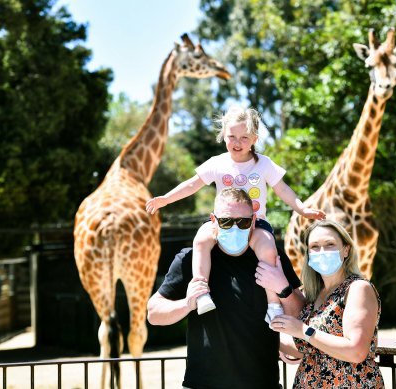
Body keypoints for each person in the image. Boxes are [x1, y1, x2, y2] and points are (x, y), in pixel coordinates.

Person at [146, 105, 325, 322]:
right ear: (223, 136)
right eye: (232, 136)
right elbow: (192, 185)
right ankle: (201, 292)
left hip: (255, 223)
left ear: (255, 139)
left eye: (244, 137)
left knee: (268, 247)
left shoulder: (264, 164)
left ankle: (273, 306)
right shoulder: (218, 163)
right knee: (201, 239)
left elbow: (283, 190)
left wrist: (301, 208)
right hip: (223, 222)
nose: (237, 143)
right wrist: (166, 199)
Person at [147, 188, 305, 389]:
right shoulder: (190, 259)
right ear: (213, 220)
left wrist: (283, 289)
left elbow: (302, 314)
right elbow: (154, 313)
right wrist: (187, 305)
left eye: (243, 222)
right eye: (226, 221)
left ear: (254, 221)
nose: (235, 228)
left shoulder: (272, 258)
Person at [269, 220, 384, 388]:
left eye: (330, 244)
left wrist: (302, 330)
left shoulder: (358, 288)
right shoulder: (313, 294)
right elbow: (308, 349)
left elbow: (356, 351)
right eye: (315, 246)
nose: (322, 251)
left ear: (346, 250)